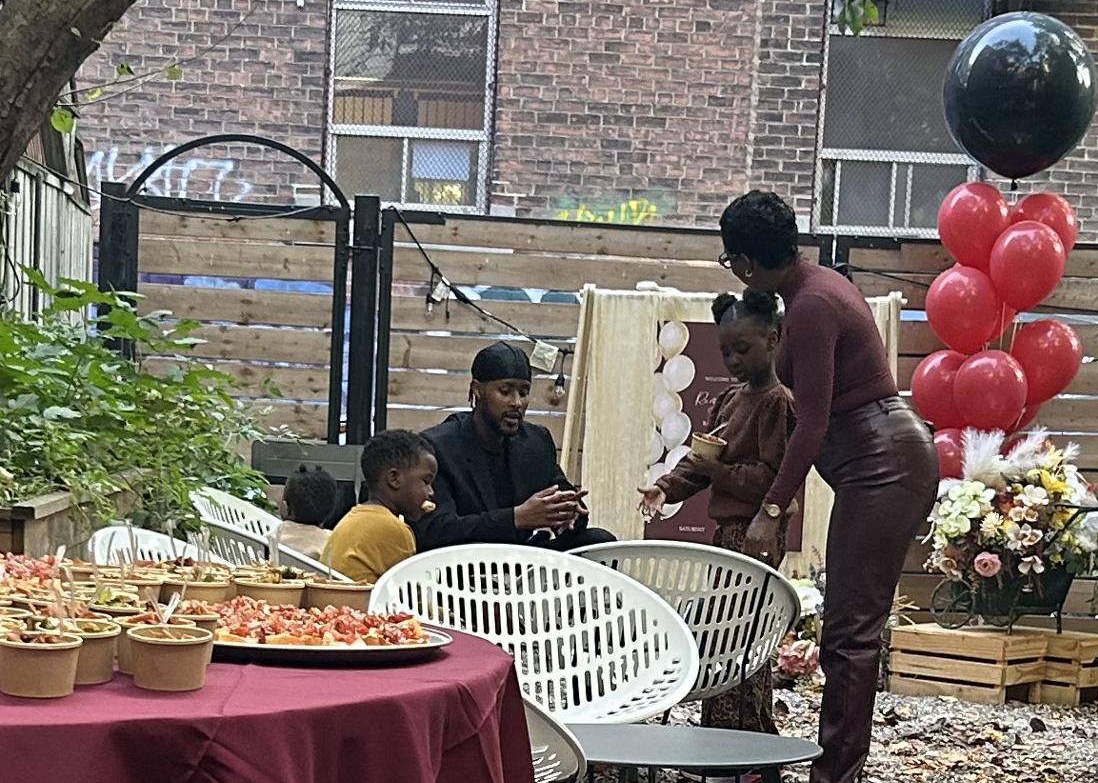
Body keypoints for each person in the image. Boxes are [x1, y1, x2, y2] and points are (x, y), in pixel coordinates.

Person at [720, 186, 935, 783]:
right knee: (848, 621)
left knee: (850, 628)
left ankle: (838, 780)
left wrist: (772, 509)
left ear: (744, 263)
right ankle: (834, 770)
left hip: (883, 464)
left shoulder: (812, 305)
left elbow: (811, 422)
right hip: (881, 460)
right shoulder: (815, 287)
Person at [641, 293, 796, 732]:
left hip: (758, 531)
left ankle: (750, 739)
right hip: (728, 530)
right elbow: (700, 458)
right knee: (723, 630)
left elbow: (773, 478)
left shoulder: (777, 403)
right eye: (725, 351)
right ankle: (721, 735)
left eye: (742, 349)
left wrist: (720, 472)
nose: (732, 360)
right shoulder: (731, 397)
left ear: (773, 339)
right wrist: (665, 487)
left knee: (744, 634)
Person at [421, 339, 600, 550]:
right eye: (505, 391)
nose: (517, 402)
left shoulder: (536, 441)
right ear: (477, 390)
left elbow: (561, 500)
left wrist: (567, 513)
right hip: (466, 564)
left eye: (524, 392)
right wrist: (516, 518)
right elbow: (436, 530)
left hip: (524, 560)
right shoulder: (439, 446)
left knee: (598, 540)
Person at [321, 433, 434, 587]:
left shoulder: (356, 515)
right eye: (426, 482)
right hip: (363, 608)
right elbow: (412, 595)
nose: (431, 492)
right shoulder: (394, 529)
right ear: (394, 478)